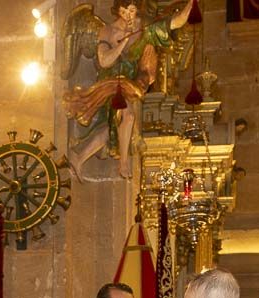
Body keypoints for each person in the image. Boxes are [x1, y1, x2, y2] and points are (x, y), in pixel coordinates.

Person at [62, 1, 195, 180]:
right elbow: (104, 61)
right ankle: (123, 164)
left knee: (111, 129)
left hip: (130, 84)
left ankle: (79, 158)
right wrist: (122, 44)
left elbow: (176, 21)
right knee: (129, 116)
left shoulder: (145, 28)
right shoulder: (107, 30)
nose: (129, 16)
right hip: (110, 82)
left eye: (132, 11)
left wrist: (193, 3)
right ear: (118, 11)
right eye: (124, 11)